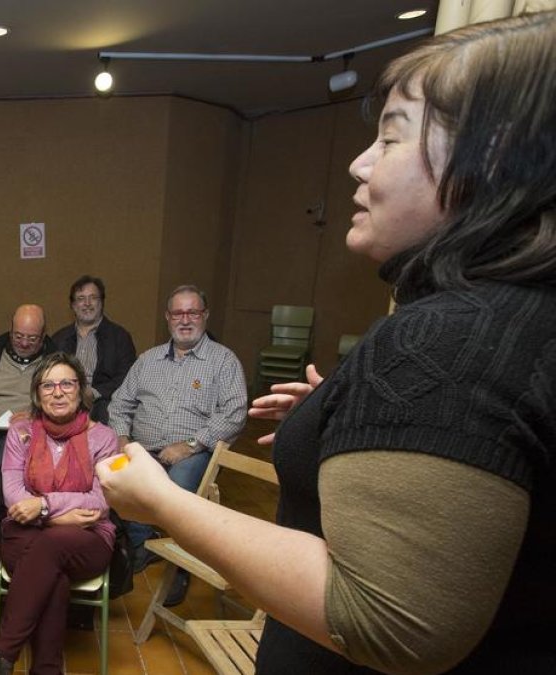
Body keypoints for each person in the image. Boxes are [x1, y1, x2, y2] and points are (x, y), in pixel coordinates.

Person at [98, 13, 556, 673]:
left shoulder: (444, 338)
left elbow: (387, 623)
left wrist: (163, 500)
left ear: (490, 159)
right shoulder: (511, 318)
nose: (358, 161)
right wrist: (348, 416)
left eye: (391, 137)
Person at [0, 353, 116, 675]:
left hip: (88, 541)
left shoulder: (103, 438)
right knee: (53, 574)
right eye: (48, 385)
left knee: (51, 547)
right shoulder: (20, 432)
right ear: (37, 394)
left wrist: (43, 506)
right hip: (24, 534)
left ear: (81, 390)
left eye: (67, 383)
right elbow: (13, 495)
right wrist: (58, 516)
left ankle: (2, 655)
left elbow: (99, 501)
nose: (57, 391)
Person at [106, 284, 245, 604]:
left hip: (195, 452)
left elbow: (235, 413)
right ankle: (143, 544)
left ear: (205, 316)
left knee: (178, 486)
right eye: (178, 313)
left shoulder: (223, 361)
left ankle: (180, 566)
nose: (185, 320)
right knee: (116, 473)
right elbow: (119, 403)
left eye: (192, 312)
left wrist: (191, 445)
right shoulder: (147, 360)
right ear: (168, 318)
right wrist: (123, 438)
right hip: (143, 446)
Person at [51, 276, 137, 423]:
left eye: (93, 298)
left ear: (101, 302)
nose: (87, 304)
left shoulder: (119, 337)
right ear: (73, 305)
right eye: (81, 298)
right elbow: (49, 374)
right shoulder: (58, 338)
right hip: (66, 399)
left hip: (105, 403)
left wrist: (94, 393)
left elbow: (128, 376)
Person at [0, 304, 55, 429]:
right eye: (18, 336)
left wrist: (38, 419)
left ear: (43, 336)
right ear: (10, 331)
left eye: (32, 338)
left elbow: (66, 406)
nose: (24, 343)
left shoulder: (55, 362)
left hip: (36, 433)